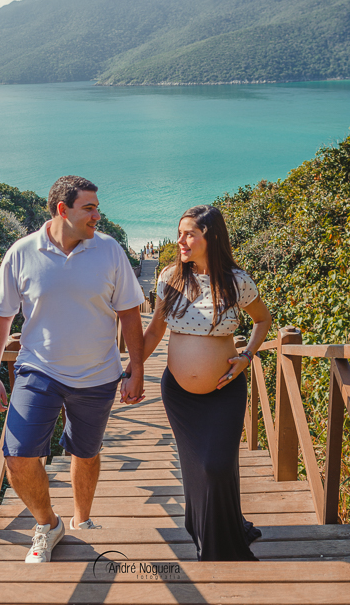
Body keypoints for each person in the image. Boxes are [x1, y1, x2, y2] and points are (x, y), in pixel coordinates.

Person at [0, 175, 145, 563]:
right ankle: (47, 524)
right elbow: (0, 316)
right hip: (38, 370)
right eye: (89, 208)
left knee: (85, 453)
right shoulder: (22, 252)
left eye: (97, 207)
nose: (97, 215)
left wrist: (136, 366)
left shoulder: (109, 251)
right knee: (18, 458)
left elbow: (129, 313)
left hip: (99, 375)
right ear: (62, 210)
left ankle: (82, 519)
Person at [121, 204, 272, 561]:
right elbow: (156, 329)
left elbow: (263, 321)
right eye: (179, 233)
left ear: (212, 236)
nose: (181, 241)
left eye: (190, 233)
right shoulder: (171, 277)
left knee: (216, 464)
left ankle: (224, 537)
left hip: (224, 389)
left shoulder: (237, 280)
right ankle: (205, 533)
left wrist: (247, 355)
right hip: (178, 393)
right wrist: (134, 369)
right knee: (196, 466)